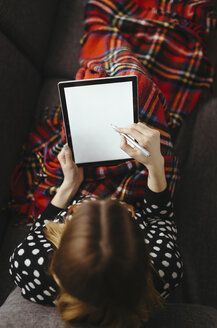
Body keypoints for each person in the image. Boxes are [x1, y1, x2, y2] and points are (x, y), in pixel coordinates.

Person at [9, 123, 183, 328]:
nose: (102, 200)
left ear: (55, 271)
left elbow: (42, 229)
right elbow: (159, 220)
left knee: (69, 135)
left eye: (75, 216)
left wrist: (68, 186)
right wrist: (155, 165)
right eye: (125, 217)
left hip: (76, 185)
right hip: (141, 193)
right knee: (153, 124)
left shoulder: (29, 267)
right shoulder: (165, 269)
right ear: (145, 256)